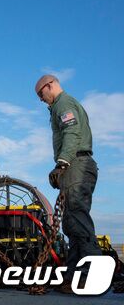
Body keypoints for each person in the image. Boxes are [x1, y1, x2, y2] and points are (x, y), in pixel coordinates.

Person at [35, 74, 102, 294]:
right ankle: (75, 277)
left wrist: (62, 164)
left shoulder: (63, 103)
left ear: (50, 85)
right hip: (75, 165)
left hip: (77, 165)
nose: (41, 99)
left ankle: (93, 276)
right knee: (72, 223)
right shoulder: (60, 106)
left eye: (40, 93)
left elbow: (71, 132)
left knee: (78, 220)